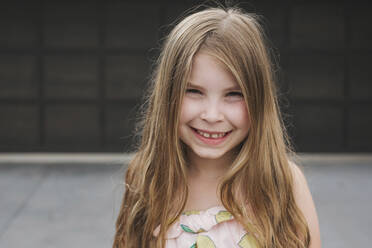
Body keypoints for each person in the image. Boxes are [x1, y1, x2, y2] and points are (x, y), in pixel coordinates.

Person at [113, 6, 321, 248]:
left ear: (259, 100)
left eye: (234, 94)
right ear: (167, 96)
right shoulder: (147, 176)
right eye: (193, 91)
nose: (212, 115)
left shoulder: (283, 182)